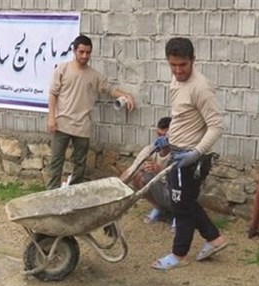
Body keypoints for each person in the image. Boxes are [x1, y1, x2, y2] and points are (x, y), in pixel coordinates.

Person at [151, 37, 228, 270]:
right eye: (173, 65)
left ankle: (179, 255)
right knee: (185, 202)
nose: (178, 70)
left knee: (181, 207)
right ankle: (215, 239)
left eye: (183, 65)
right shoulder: (176, 82)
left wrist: (196, 153)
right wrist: (169, 137)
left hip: (191, 158)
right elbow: (181, 116)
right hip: (177, 152)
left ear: (193, 60)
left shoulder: (200, 87)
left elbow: (216, 125)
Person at [46, 34, 136, 189]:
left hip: (82, 126)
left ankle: (75, 192)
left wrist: (126, 95)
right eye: (81, 52)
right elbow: (53, 94)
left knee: (80, 164)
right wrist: (51, 118)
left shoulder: (94, 76)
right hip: (61, 124)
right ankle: (51, 193)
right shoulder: (62, 69)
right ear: (74, 51)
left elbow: (110, 89)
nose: (84, 55)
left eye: (88, 52)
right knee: (56, 161)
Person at [120, 116, 175, 227]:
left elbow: (180, 182)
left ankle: (178, 215)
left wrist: (160, 171)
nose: (162, 139)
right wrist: (115, 189)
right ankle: (159, 208)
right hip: (160, 191)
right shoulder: (151, 149)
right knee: (138, 176)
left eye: (165, 136)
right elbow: (131, 170)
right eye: (159, 135)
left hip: (175, 193)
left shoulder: (177, 154)